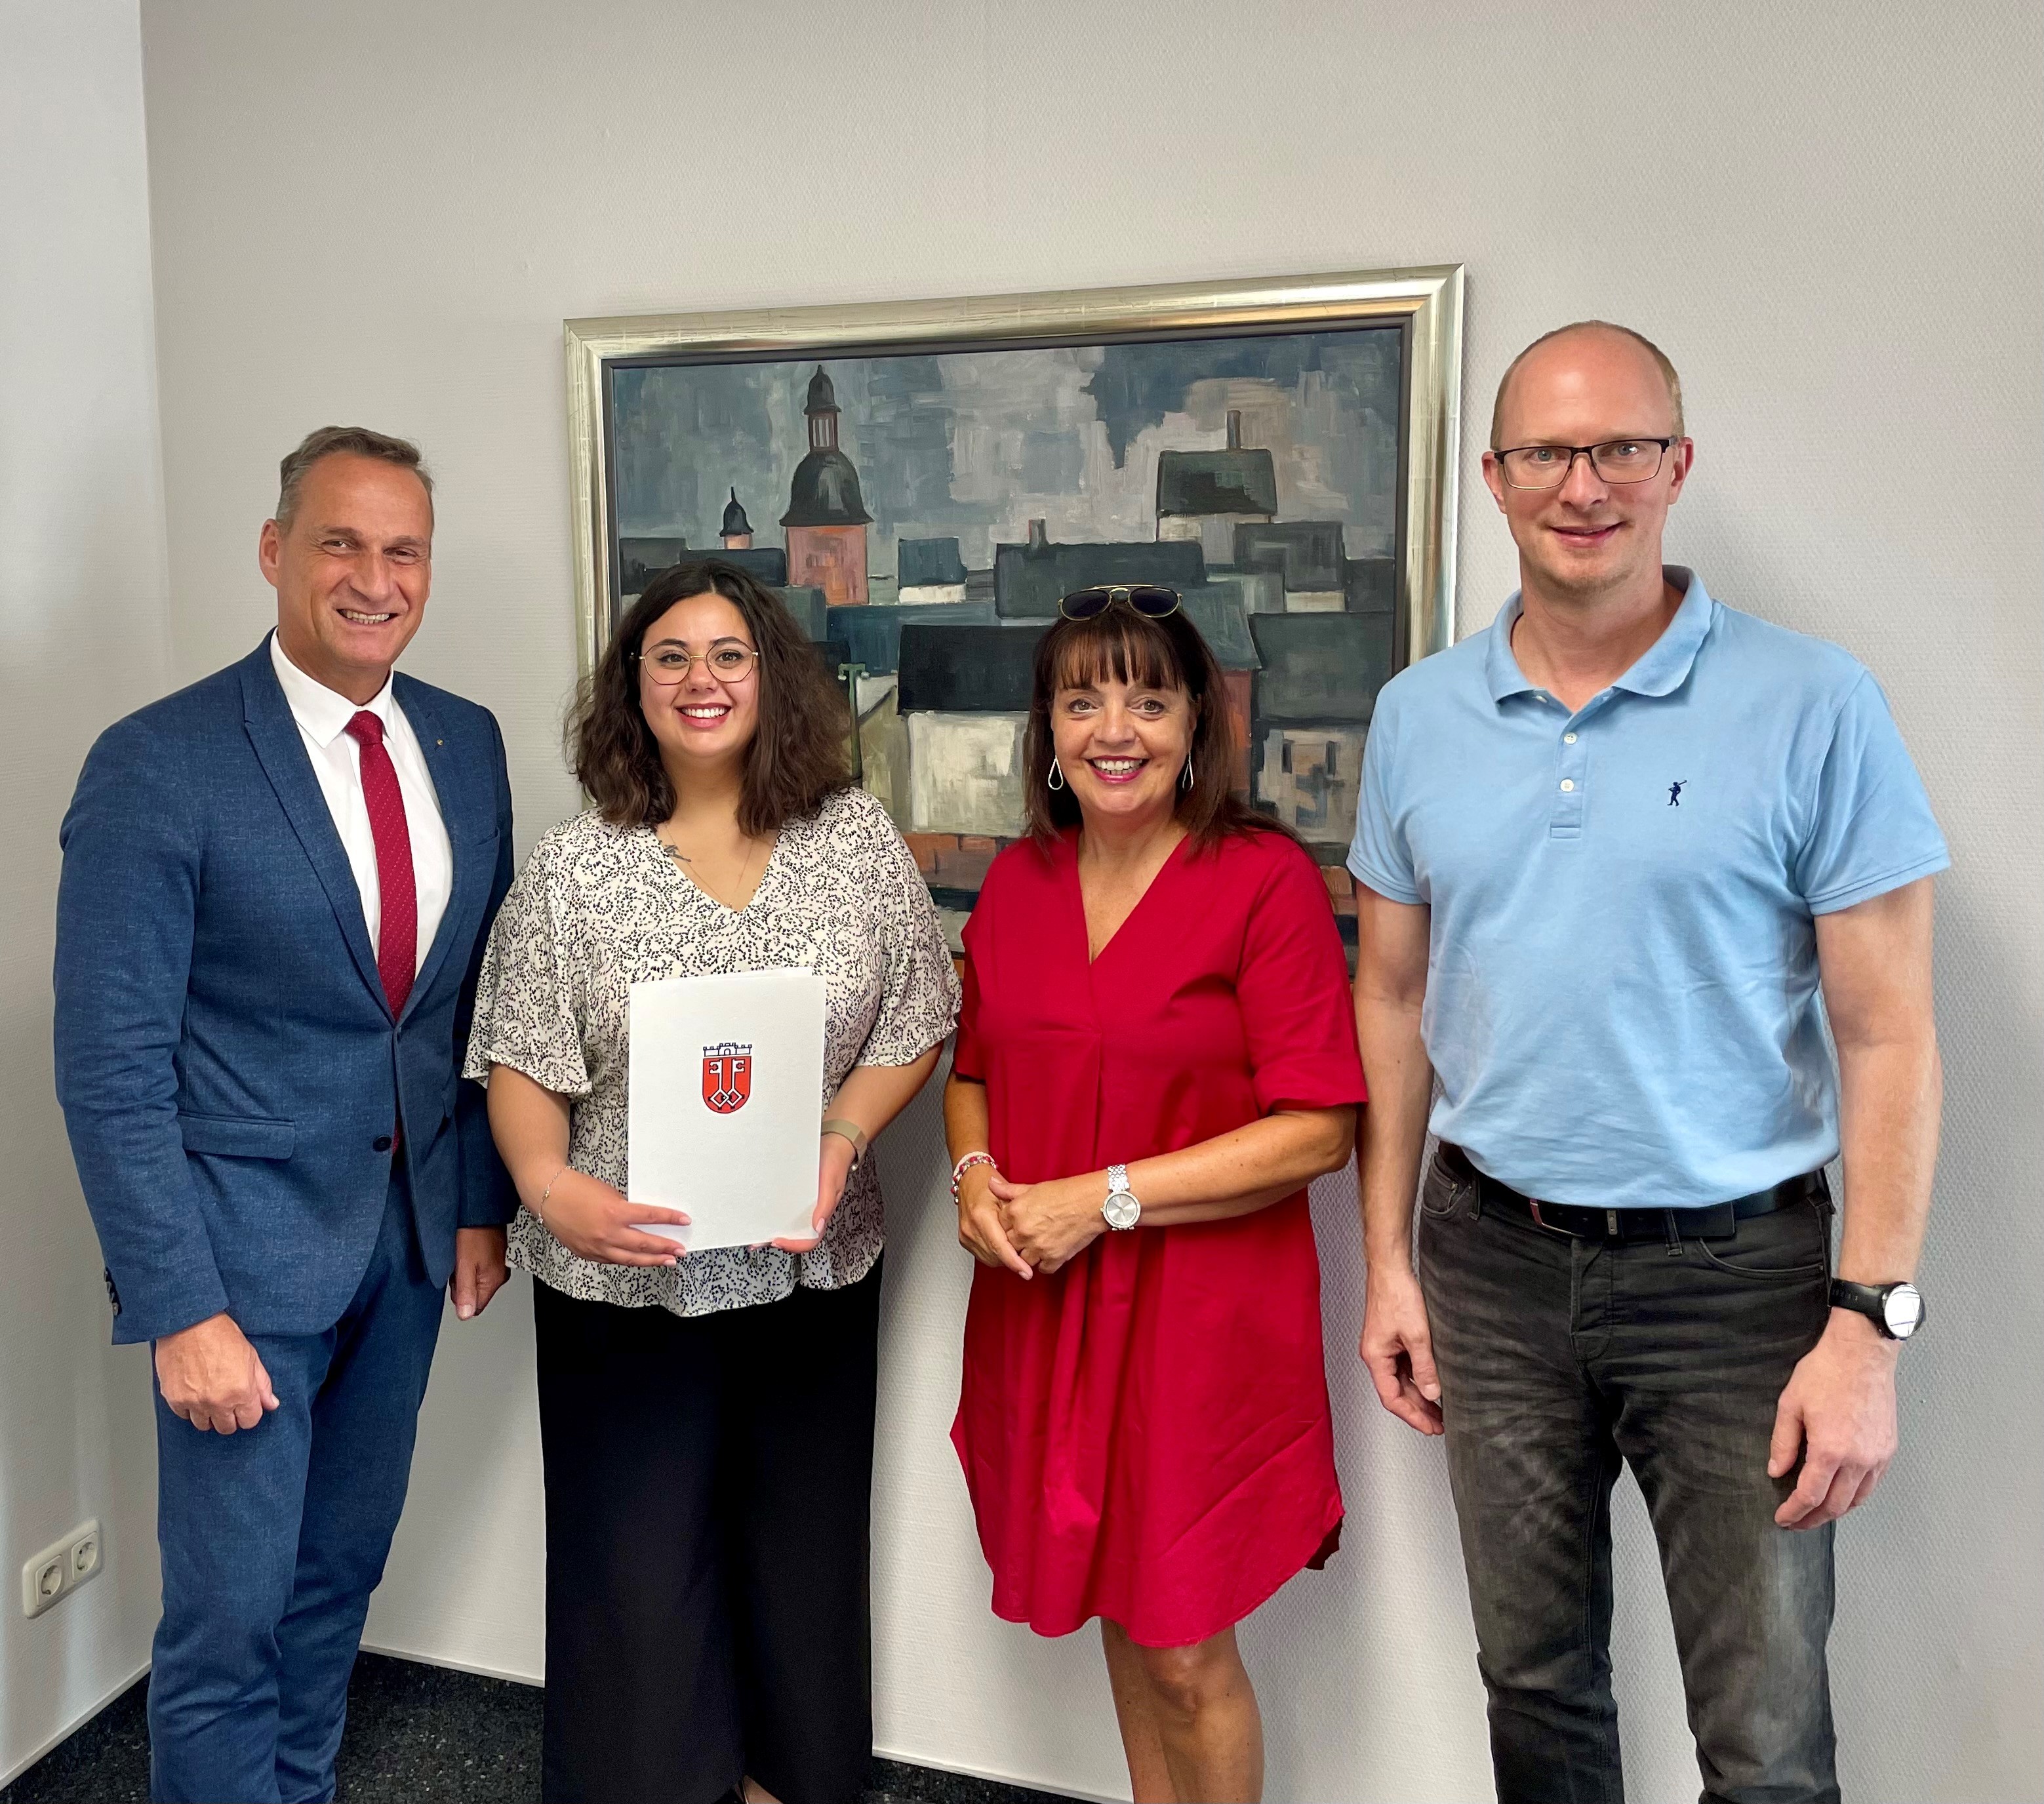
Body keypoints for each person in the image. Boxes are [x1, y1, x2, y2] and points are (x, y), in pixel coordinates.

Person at [1350, 322, 1946, 1804]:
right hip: (1488, 1261)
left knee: (1762, 1735)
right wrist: (1386, 1261)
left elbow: (1887, 1031)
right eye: (1548, 450)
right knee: (1533, 1690)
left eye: (1621, 446)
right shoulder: (1417, 715)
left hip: (1736, 1284)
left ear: (1677, 466)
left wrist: (1865, 1326)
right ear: (1492, 477)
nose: (1585, 484)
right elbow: (1390, 992)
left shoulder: (1813, 703)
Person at [53, 426, 517, 1804]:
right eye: (339, 542)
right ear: (274, 553)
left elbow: (466, 1006)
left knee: (333, 1583)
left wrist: (480, 1200)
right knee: (229, 1620)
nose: (373, 578)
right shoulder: (159, 761)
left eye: (402, 550)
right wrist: (176, 1302)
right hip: (238, 1268)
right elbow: (110, 1063)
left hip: (410, 1249)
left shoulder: (464, 741)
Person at [466, 559, 957, 1804]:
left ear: (771, 676)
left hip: (810, 1267)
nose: (700, 680)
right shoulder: (578, 870)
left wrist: (844, 1135)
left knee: (800, 1549)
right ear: (633, 687)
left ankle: (792, 1779)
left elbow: (918, 1010)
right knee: (633, 1567)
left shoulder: (853, 841)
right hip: (623, 1278)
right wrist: (543, 1184)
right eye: (669, 656)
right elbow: (525, 1052)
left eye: (728, 654)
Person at [946, 586, 1366, 1804]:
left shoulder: (1262, 880)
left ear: (1197, 722)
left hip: (1201, 1323)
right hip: (1045, 1309)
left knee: (1184, 1645)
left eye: (1147, 696)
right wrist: (975, 1176)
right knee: (1119, 1616)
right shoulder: (1018, 884)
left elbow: (1317, 1134)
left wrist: (1104, 1197)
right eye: (1082, 699)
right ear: (1049, 729)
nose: (1113, 727)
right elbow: (970, 1074)